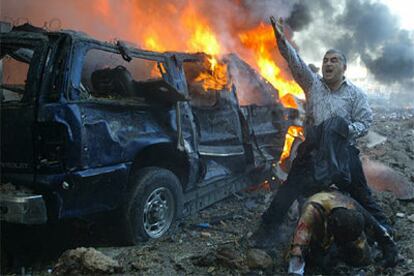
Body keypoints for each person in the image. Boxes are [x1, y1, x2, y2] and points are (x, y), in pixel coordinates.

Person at [250, 17, 391, 246]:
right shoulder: (312, 84)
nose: (328, 64)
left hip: (343, 152)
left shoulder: (356, 95)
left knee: (362, 195)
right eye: (325, 60)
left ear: (344, 67)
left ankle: (384, 234)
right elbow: (295, 62)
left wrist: (344, 130)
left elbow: (365, 122)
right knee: (287, 192)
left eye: (334, 60)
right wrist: (281, 39)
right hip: (313, 151)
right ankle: (265, 232)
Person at [287, 191, 399, 275]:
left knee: (362, 258)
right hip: (319, 232)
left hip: (339, 228)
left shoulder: (350, 206)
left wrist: (389, 248)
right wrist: (296, 272)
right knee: (320, 261)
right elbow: (298, 248)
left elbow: (375, 227)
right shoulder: (311, 212)